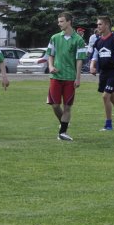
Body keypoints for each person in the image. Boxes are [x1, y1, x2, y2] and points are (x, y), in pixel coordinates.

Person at [46, 12, 88, 141]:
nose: (59, 24)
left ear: (69, 22)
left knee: (67, 106)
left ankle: (62, 132)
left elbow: (79, 60)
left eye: (61, 21)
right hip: (56, 76)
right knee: (55, 105)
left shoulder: (79, 40)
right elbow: (50, 54)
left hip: (70, 78)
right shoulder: (54, 38)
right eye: (58, 21)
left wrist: (78, 78)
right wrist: (51, 66)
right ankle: (64, 123)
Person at [89, 15, 114, 131]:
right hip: (104, 73)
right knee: (113, 98)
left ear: (107, 25)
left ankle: (108, 125)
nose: (98, 26)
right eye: (97, 24)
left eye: (100, 24)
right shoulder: (98, 42)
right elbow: (94, 57)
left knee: (105, 96)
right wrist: (92, 67)